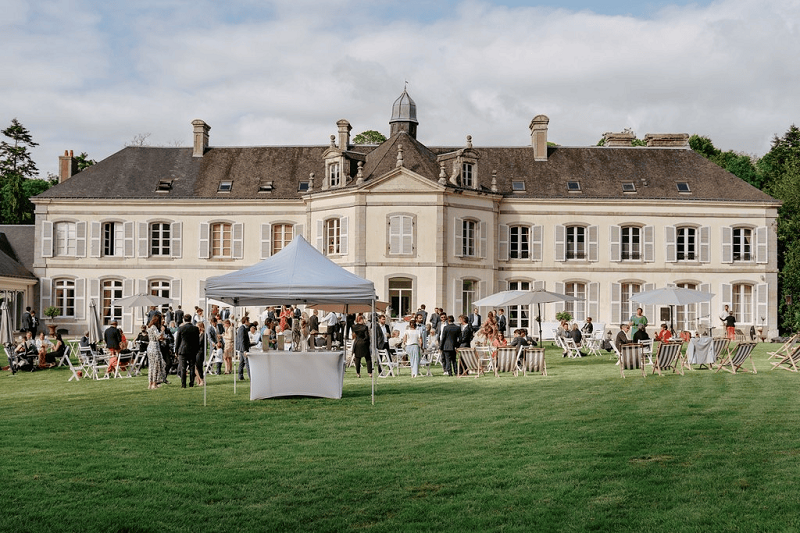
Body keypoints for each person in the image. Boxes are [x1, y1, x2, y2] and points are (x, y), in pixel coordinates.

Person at [175, 315, 200, 388]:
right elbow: (197, 340)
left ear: (184, 320)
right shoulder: (195, 329)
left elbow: (178, 341)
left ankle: (183, 384)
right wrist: (197, 349)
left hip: (183, 350)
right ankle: (191, 383)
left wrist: (176, 350)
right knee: (192, 367)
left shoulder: (181, 328)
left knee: (183, 367)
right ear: (190, 319)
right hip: (192, 350)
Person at [146, 315, 166, 390]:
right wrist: (162, 331)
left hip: (150, 346)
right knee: (156, 366)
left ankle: (150, 383)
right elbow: (158, 336)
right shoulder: (154, 327)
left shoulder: (150, 327)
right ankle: (154, 383)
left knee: (151, 366)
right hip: (154, 347)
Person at [236, 316, 252, 381]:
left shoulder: (244, 328)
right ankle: (250, 377)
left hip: (243, 348)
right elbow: (241, 340)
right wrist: (244, 350)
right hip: (243, 348)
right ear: (245, 321)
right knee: (247, 363)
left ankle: (240, 376)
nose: (249, 322)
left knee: (242, 362)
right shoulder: (242, 328)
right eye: (248, 321)